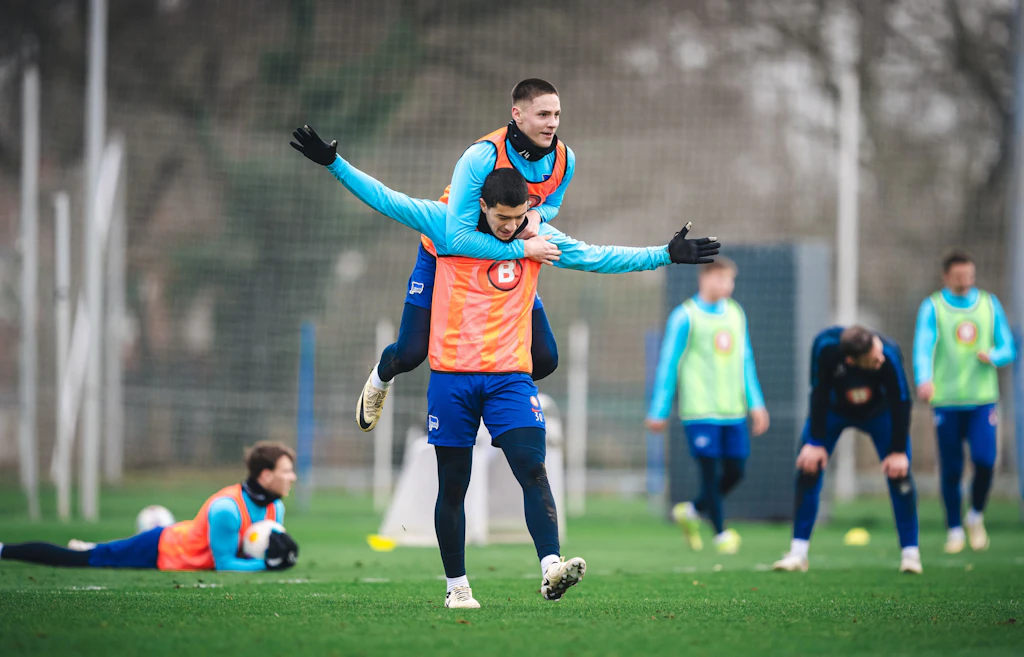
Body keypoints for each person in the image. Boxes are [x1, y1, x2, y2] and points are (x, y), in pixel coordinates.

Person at [290, 132, 718, 607]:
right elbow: (386, 199)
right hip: (452, 375)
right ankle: (456, 586)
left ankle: (551, 567)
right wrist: (334, 163)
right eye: (502, 218)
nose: (512, 228)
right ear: (482, 206)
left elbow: (599, 256)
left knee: (533, 466)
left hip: (507, 376)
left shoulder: (536, 231)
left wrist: (663, 254)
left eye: (520, 219)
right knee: (449, 472)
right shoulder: (446, 227)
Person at [292, 79, 573, 433]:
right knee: (410, 353)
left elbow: (554, 203)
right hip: (446, 259)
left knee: (545, 358)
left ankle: (500, 407)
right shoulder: (480, 158)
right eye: (544, 114)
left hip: (503, 261)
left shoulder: (564, 158)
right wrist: (334, 163)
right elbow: (387, 199)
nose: (552, 123)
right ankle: (381, 375)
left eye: (557, 115)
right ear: (517, 115)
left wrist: (537, 216)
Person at [0, 442, 299, 572]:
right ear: (265, 475)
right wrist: (268, 564)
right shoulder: (227, 509)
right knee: (83, 560)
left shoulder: (277, 510)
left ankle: (95, 545)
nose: (293, 477)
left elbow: (244, 551)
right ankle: (5, 550)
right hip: (162, 548)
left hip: (181, 540)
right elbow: (224, 565)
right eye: (287, 471)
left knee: (97, 551)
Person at [644, 257, 769, 554]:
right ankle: (721, 534)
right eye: (723, 279)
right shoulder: (684, 316)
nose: (729, 286)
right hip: (699, 411)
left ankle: (692, 510)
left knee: (736, 471)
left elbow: (745, 360)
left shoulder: (736, 313)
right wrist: (658, 410)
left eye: (731, 280)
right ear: (706, 279)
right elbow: (668, 364)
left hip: (733, 411)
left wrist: (757, 404)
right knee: (710, 473)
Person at [772, 326, 921, 574]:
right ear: (852, 360)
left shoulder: (889, 352)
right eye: (874, 359)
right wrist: (815, 442)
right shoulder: (825, 347)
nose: (880, 359)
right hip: (834, 412)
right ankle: (797, 554)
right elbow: (818, 390)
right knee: (808, 468)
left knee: (900, 476)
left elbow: (902, 401)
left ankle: (911, 555)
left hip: (879, 413)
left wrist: (897, 451)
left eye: (879, 353)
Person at [912, 250, 1016, 553]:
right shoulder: (933, 306)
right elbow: (923, 344)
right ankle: (954, 530)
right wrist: (924, 379)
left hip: (982, 399)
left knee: (985, 461)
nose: (965, 281)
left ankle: (975, 516)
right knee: (952, 468)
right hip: (946, 400)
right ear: (947, 276)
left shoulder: (988, 303)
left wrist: (994, 355)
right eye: (959, 276)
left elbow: (1007, 346)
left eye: (969, 275)